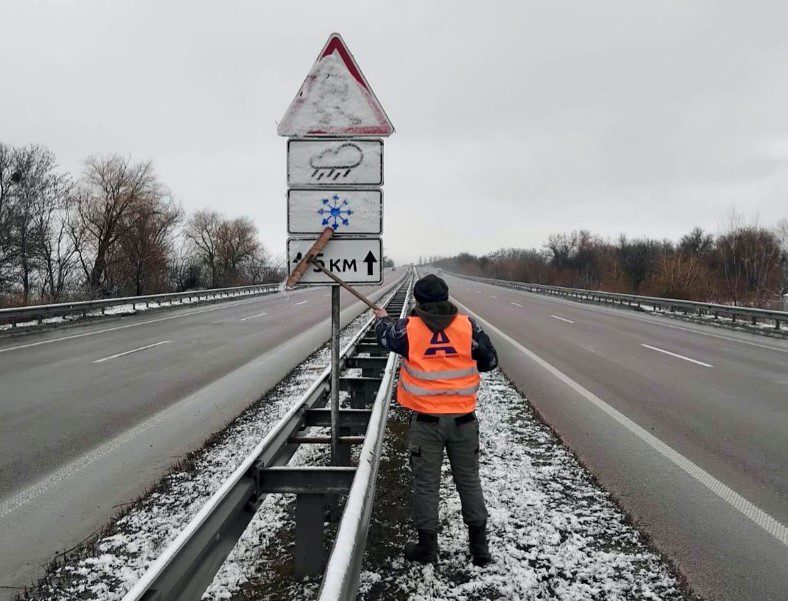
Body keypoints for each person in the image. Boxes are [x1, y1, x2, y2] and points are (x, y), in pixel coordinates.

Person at [373, 273, 499, 566]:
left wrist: (381, 318)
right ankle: (480, 550)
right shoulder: (468, 327)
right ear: (446, 298)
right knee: (469, 480)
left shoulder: (408, 329)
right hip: (464, 421)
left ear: (417, 301)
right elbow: (490, 361)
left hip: (427, 424)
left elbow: (385, 338)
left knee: (426, 484)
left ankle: (427, 548)